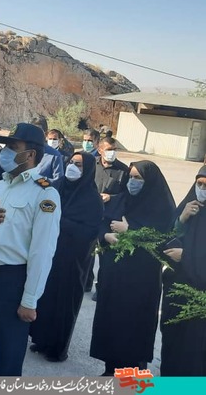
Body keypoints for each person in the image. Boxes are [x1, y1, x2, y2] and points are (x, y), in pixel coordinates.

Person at [0, 123, 61, 376]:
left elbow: (42, 252)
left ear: (30, 154)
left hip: (9, 285)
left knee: (5, 362)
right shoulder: (1, 185)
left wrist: (29, 300)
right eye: (5, 146)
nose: (5, 152)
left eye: (13, 147)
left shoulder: (44, 194)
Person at [90, 160, 176, 376]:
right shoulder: (120, 199)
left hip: (141, 280)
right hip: (114, 276)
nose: (132, 181)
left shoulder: (162, 208)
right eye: (131, 176)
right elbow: (102, 222)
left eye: (138, 178)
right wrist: (106, 235)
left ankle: (131, 373)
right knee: (112, 322)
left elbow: (162, 240)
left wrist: (131, 230)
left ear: (150, 181)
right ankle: (110, 368)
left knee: (133, 326)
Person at [29, 151, 103, 362]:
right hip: (50, 253)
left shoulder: (92, 199)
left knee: (64, 302)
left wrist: (59, 221)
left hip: (72, 260)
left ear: (87, 170)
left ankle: (58, 348)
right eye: (71, 162)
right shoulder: (57, 186)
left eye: (78, 165)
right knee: (45, 297)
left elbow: (90, 231)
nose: (72, 167)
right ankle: (41, 339)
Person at [160, 166, 206, 376]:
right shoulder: (187, 206)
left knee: (193, 353)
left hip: (200, 298)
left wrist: (186, 257)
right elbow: (164, 240)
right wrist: (182, 219)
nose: (201, 190)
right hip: (176, 292)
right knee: (172, 345)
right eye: (199, 184)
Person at [86, 137, 130, 297]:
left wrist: (111, 198)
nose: (112, 153)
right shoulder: (91, 165)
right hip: (90, 215)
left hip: (110, 217)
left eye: (114, 149)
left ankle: (101, 288)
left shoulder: (123, 170)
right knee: (87, 252)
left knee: (106, 256)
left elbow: (127, 195)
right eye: (109, 150)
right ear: (100, 150)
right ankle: (85, 282)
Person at [30, 118, 64, 188]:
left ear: (45, 134)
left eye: (38, 132)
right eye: (32, 131)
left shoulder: (54, 155)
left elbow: (57, 181)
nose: (34, 135)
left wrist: (37, 181)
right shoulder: (23, 151)